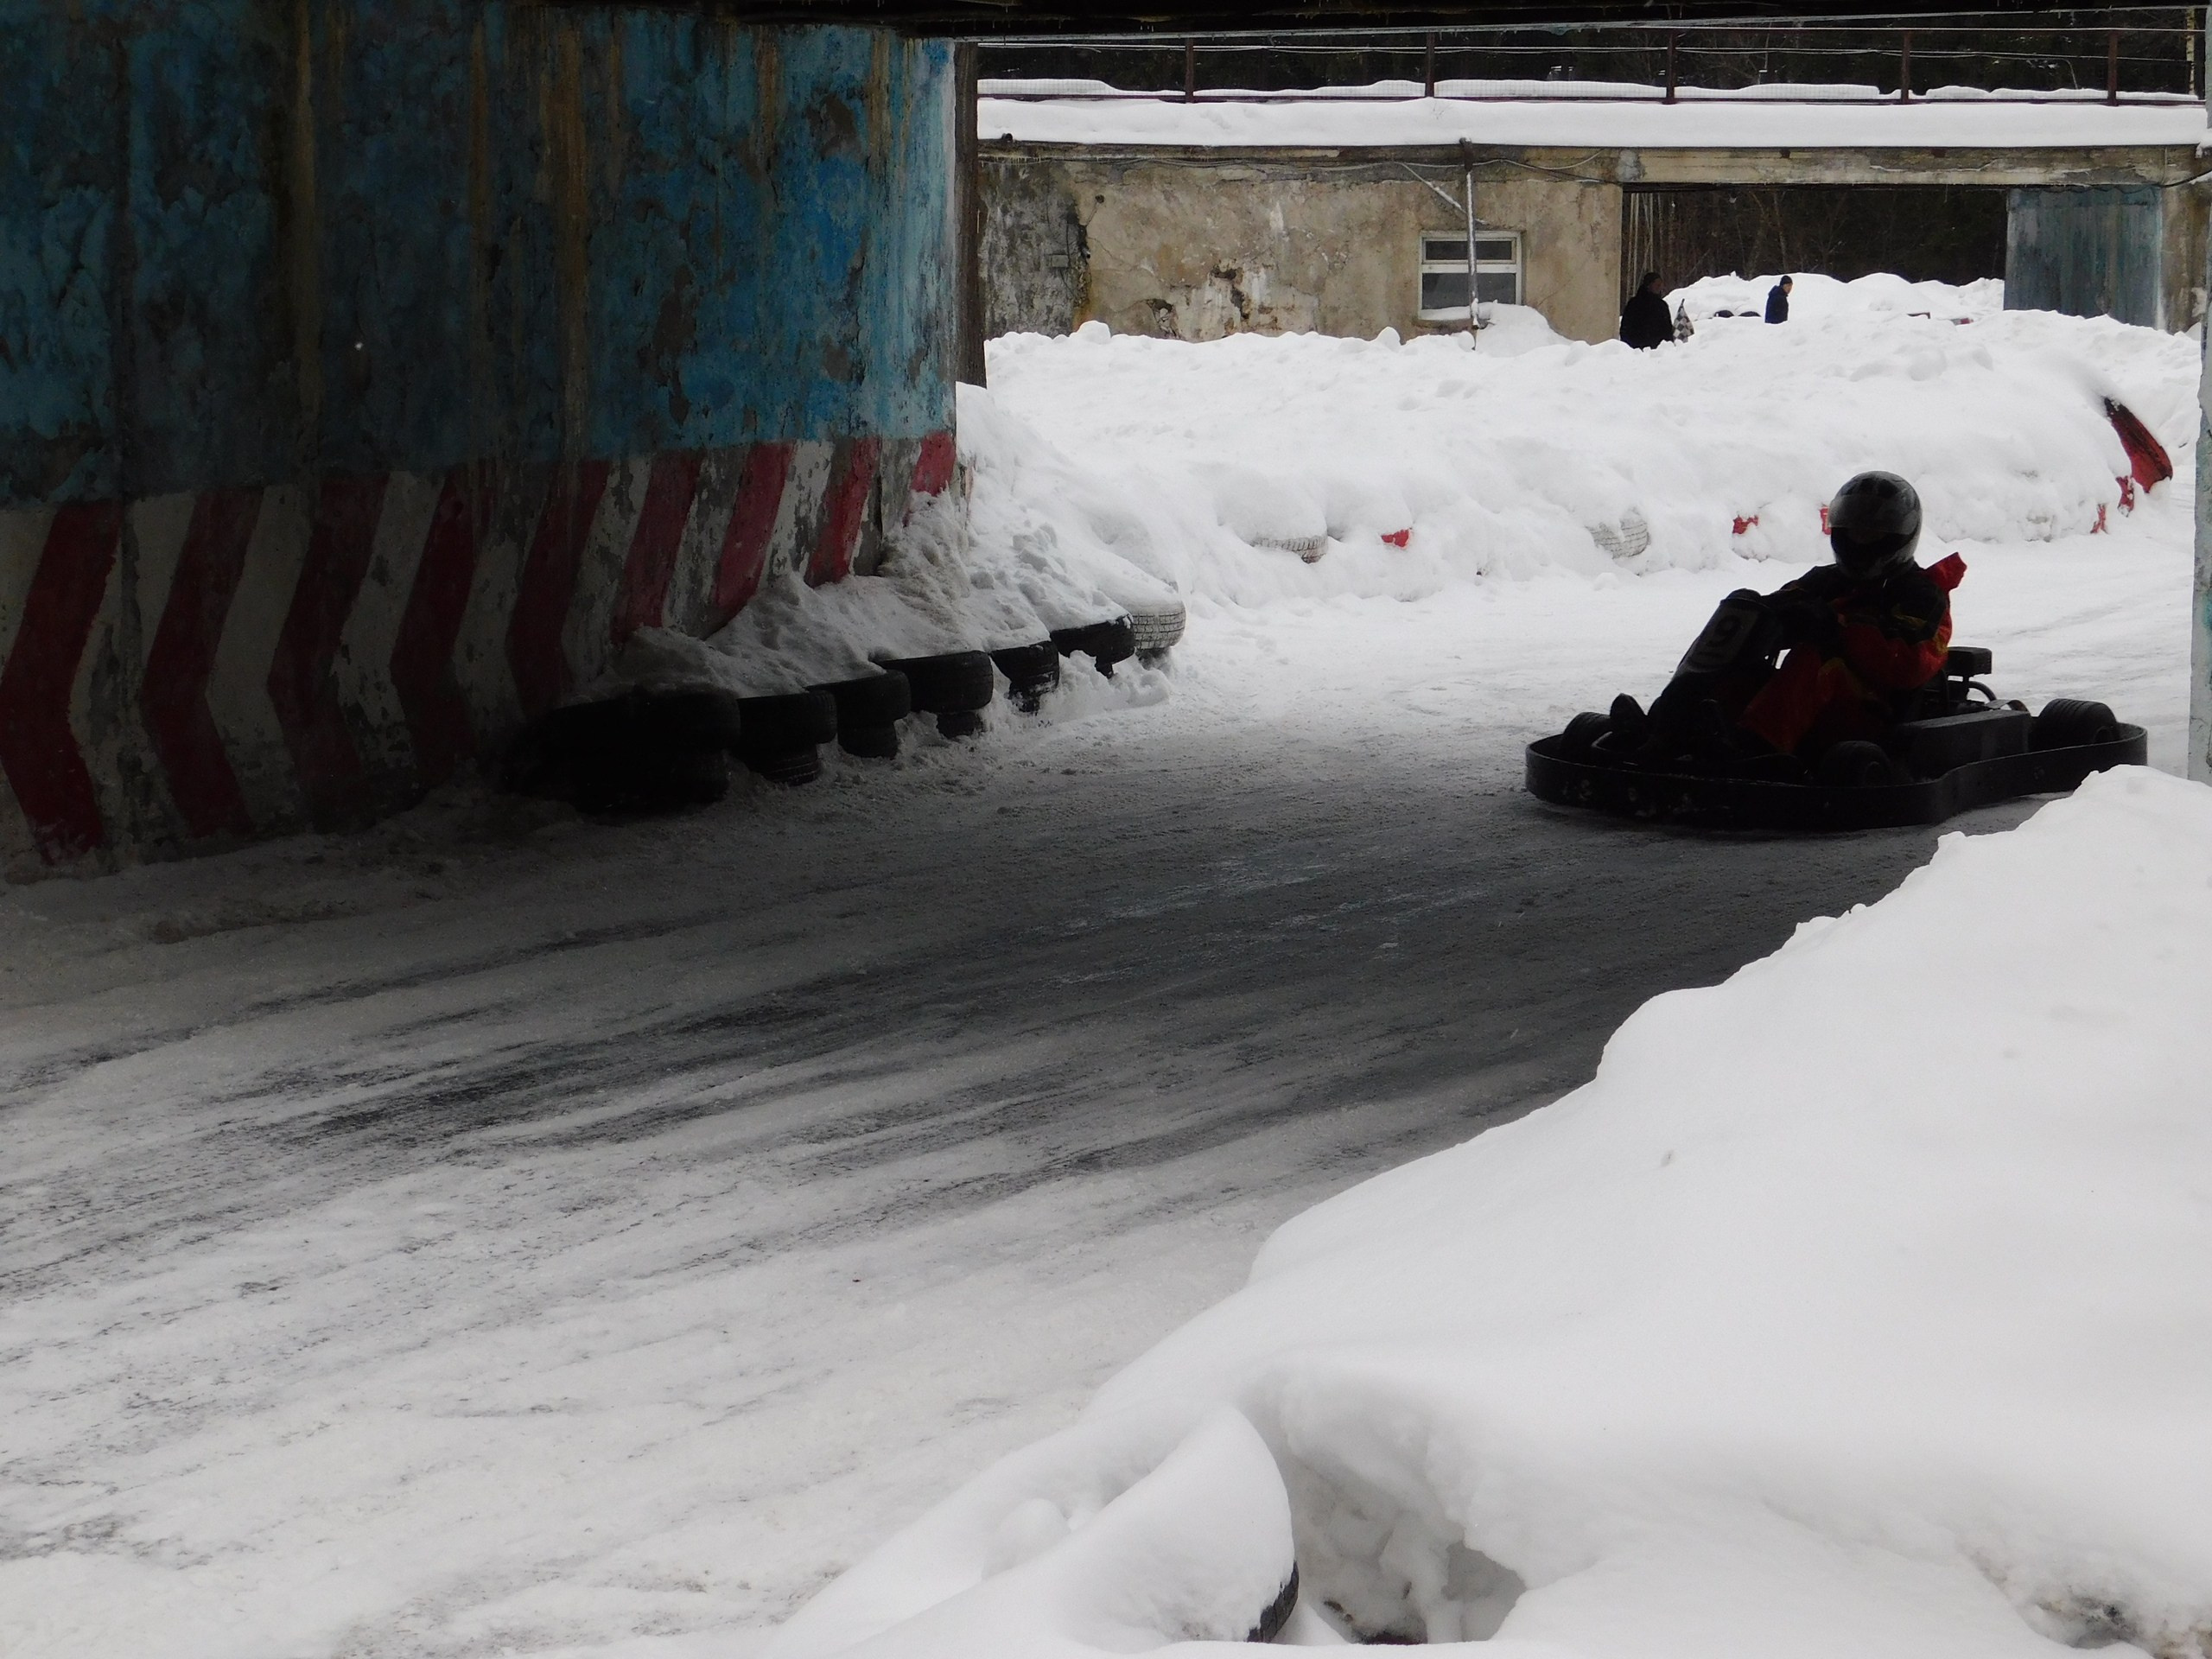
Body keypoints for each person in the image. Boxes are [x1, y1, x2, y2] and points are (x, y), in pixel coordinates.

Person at [1608, 471, 1965, 772]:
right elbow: (1779, 609)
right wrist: (1758, 612)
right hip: (1819, 708)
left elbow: (1908, 667)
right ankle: (1666, 727)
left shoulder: (1922, 593)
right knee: (1743, 641)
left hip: (1876, 713)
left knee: (1819, 658)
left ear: (1899, 537)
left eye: (1872, 533)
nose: (1859, 540)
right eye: (1852, 529)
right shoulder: (1826, 580)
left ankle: (1753, 748)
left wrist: (1837, 627)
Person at [1619, 271, 1673, 350]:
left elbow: (1667, 330)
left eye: (1661, 284)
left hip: (1657, 352)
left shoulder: (1662, 306)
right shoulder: (1634, 304)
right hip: (1635, 350)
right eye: (1657, 284)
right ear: (1648, 285)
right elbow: (1626, 328)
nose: (1660, 287)